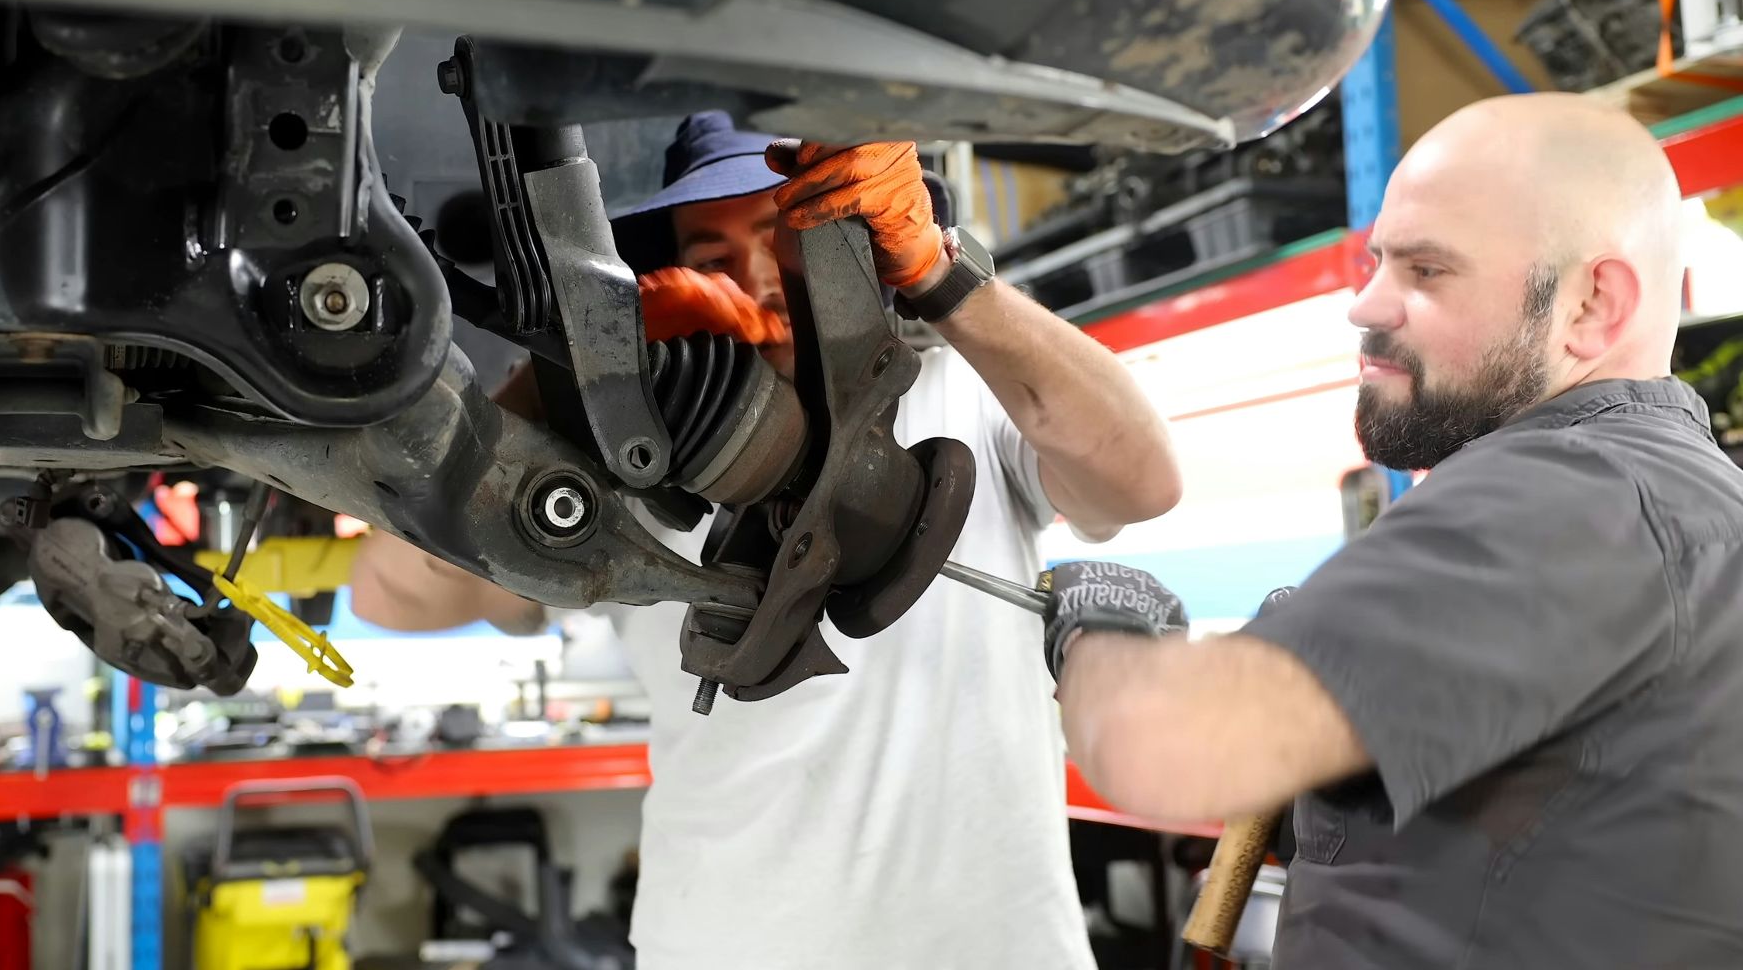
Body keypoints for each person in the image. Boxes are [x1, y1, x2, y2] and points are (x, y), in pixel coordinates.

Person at [351, 111, 1181, 969]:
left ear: (857, 235)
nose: (751, 276)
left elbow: (1142, 480)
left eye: (780, 234)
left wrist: (942, 276)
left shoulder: (961, 387)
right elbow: (389, 592)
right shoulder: (624, 460)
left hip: (994, 945)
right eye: (710, 256)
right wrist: (565, 372)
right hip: (728, 945)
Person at [1048, 92, 1743, 967]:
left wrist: (1101, 631)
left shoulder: (1568, 494)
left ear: (1592, 306)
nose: (1366, 305)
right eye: (1377, 262)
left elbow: (1162, 747)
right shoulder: (1670, 499)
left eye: (1426, 271)